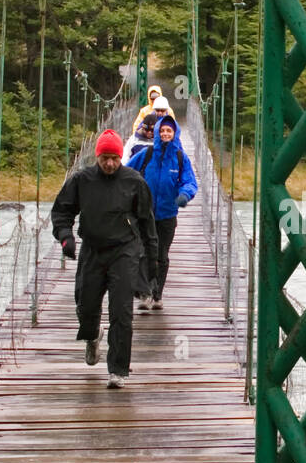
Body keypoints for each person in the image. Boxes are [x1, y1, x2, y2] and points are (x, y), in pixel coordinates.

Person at [51, 128, 158, 389]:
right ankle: (92, 334)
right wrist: (66, 237)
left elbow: (146, 223)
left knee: (121, 311)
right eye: (104, 158)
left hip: (124, 250)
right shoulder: (82, 180)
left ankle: (118, 370)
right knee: (86, 306)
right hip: (92, 249)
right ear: (97, 157)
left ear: (121, 156)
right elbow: (62, 211)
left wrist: (152, 260)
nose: (110, 163)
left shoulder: (135, 182)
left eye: (114, 158)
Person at [131, 114, 198, 310]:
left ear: (175, 133)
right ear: (158, 133)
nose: (166, 133)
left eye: (169, 130)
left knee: (162, 255)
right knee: (143, 252)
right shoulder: (147, 154)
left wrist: (185, 195)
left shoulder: (180, 157)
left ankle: (157, 293)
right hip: (145, 213)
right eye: (162, 130)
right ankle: (144, 293)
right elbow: (126, 170)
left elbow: (190, 181)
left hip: (168, 214)